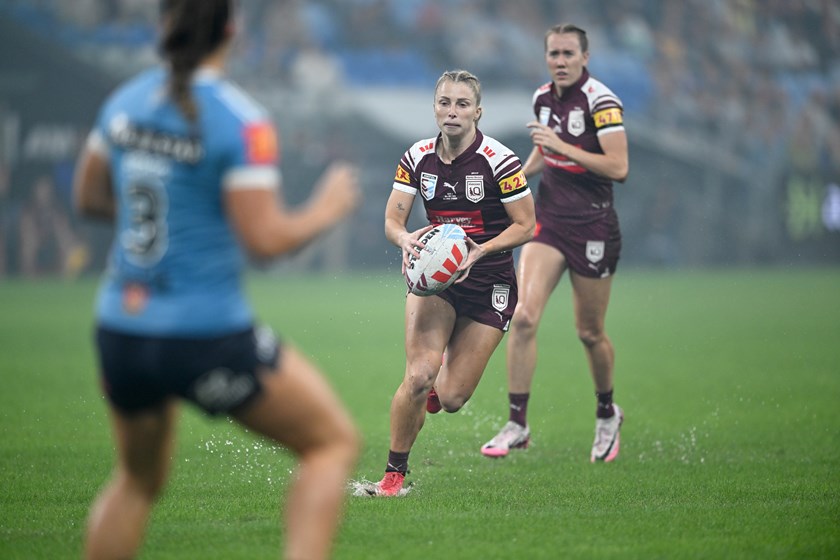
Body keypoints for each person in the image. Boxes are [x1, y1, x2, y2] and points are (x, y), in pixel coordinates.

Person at [72, 1, 360, 558]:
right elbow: (267, 242)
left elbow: (88, 196)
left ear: (164, 25)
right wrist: (326, 208)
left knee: (135, 481)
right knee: (331, 443)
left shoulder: (125, 102)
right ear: (232, 28)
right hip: (202, 335)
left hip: (121, 329)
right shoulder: (239, 118)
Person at [363, 69, 535, 496]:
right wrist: (404, 239)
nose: (452, 111)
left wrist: (479, 250)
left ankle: (435, 387)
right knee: (419, 376)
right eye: (444, 102)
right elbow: (392, 219)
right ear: (435, 108)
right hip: (436, 282)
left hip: (490, 280)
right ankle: (393, 476)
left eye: (462, 104)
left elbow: (527, 225)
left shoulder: (500, 160)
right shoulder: (417, 157)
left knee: (453, 397)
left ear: (478, 111)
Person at [480, 23, 630, 463]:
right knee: (523, 317)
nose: (560, 61)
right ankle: (517, 424)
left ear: (585, 57)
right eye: (554, 54)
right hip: (548, 221)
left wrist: (560, 144)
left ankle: (607, 414)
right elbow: (545, 154)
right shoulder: (543, 98)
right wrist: (514, 178)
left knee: (589, 332)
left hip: (594, 227)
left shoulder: (601, 102)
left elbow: (619, 166)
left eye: (568, 54)